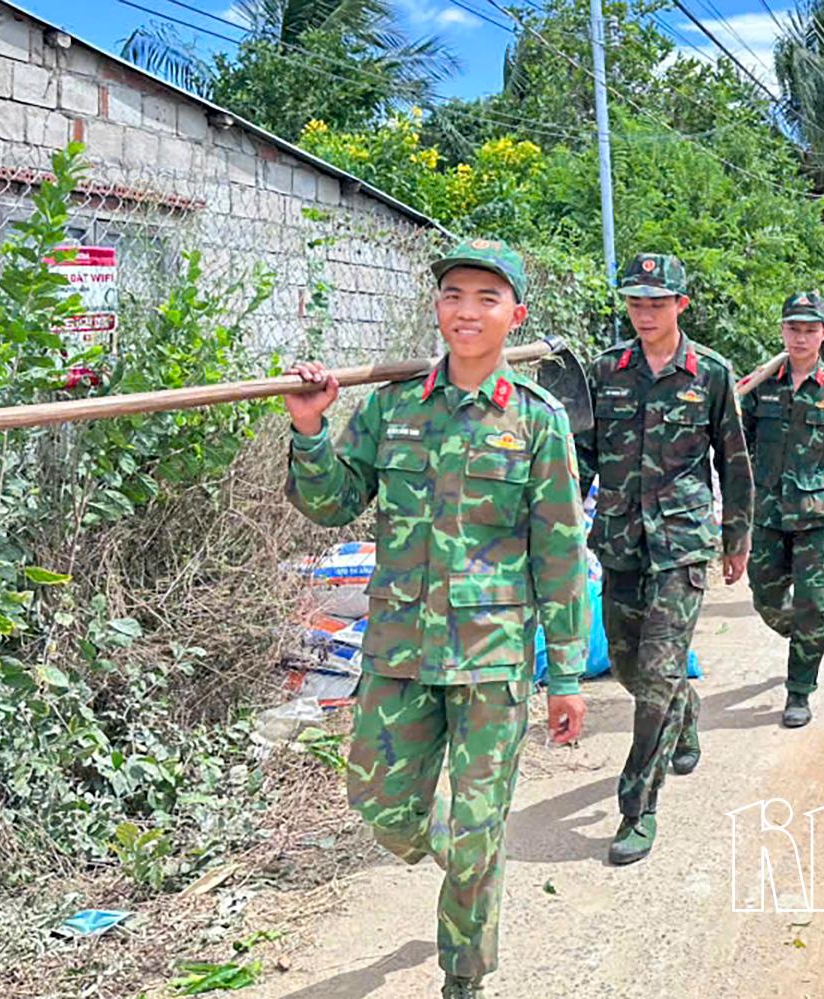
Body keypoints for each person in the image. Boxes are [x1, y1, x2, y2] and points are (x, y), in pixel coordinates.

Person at [284, 238, 590, 999]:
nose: (467, 311)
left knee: (479, 835)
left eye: (487, 298)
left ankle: (465, 976)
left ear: (514, 315)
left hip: (492, 659)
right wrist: (311, 430)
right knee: (381, 806)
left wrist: (568, 673)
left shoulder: (538, 421)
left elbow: (558, 549)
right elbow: (328, 502)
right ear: (437, 307)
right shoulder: (391, 407)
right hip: (399, 649)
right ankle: (460, 840)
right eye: (454, 294)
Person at [575, 252, 753, 866]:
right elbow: (582, 455)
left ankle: (637, 808)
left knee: (654, 674)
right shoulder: (606, 371)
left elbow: (733, 459)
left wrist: (737, 539)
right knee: (629, 665)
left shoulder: (712, 373)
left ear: (681, 304)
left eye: (657, 301)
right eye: (636, 301)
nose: (645, 312)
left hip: (681, 543)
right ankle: (686, 706)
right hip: (621, 540)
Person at [742, 292, 824, 727]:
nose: (800, 338)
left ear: (823, 334)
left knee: (814, 604)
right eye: (793, 329)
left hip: (821, 514)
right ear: (782, 331)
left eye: (809, 330)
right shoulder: (762, 386)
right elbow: (735, 445)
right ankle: (803, 638)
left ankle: (799, 690)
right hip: (769, 512)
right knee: (765, 598)